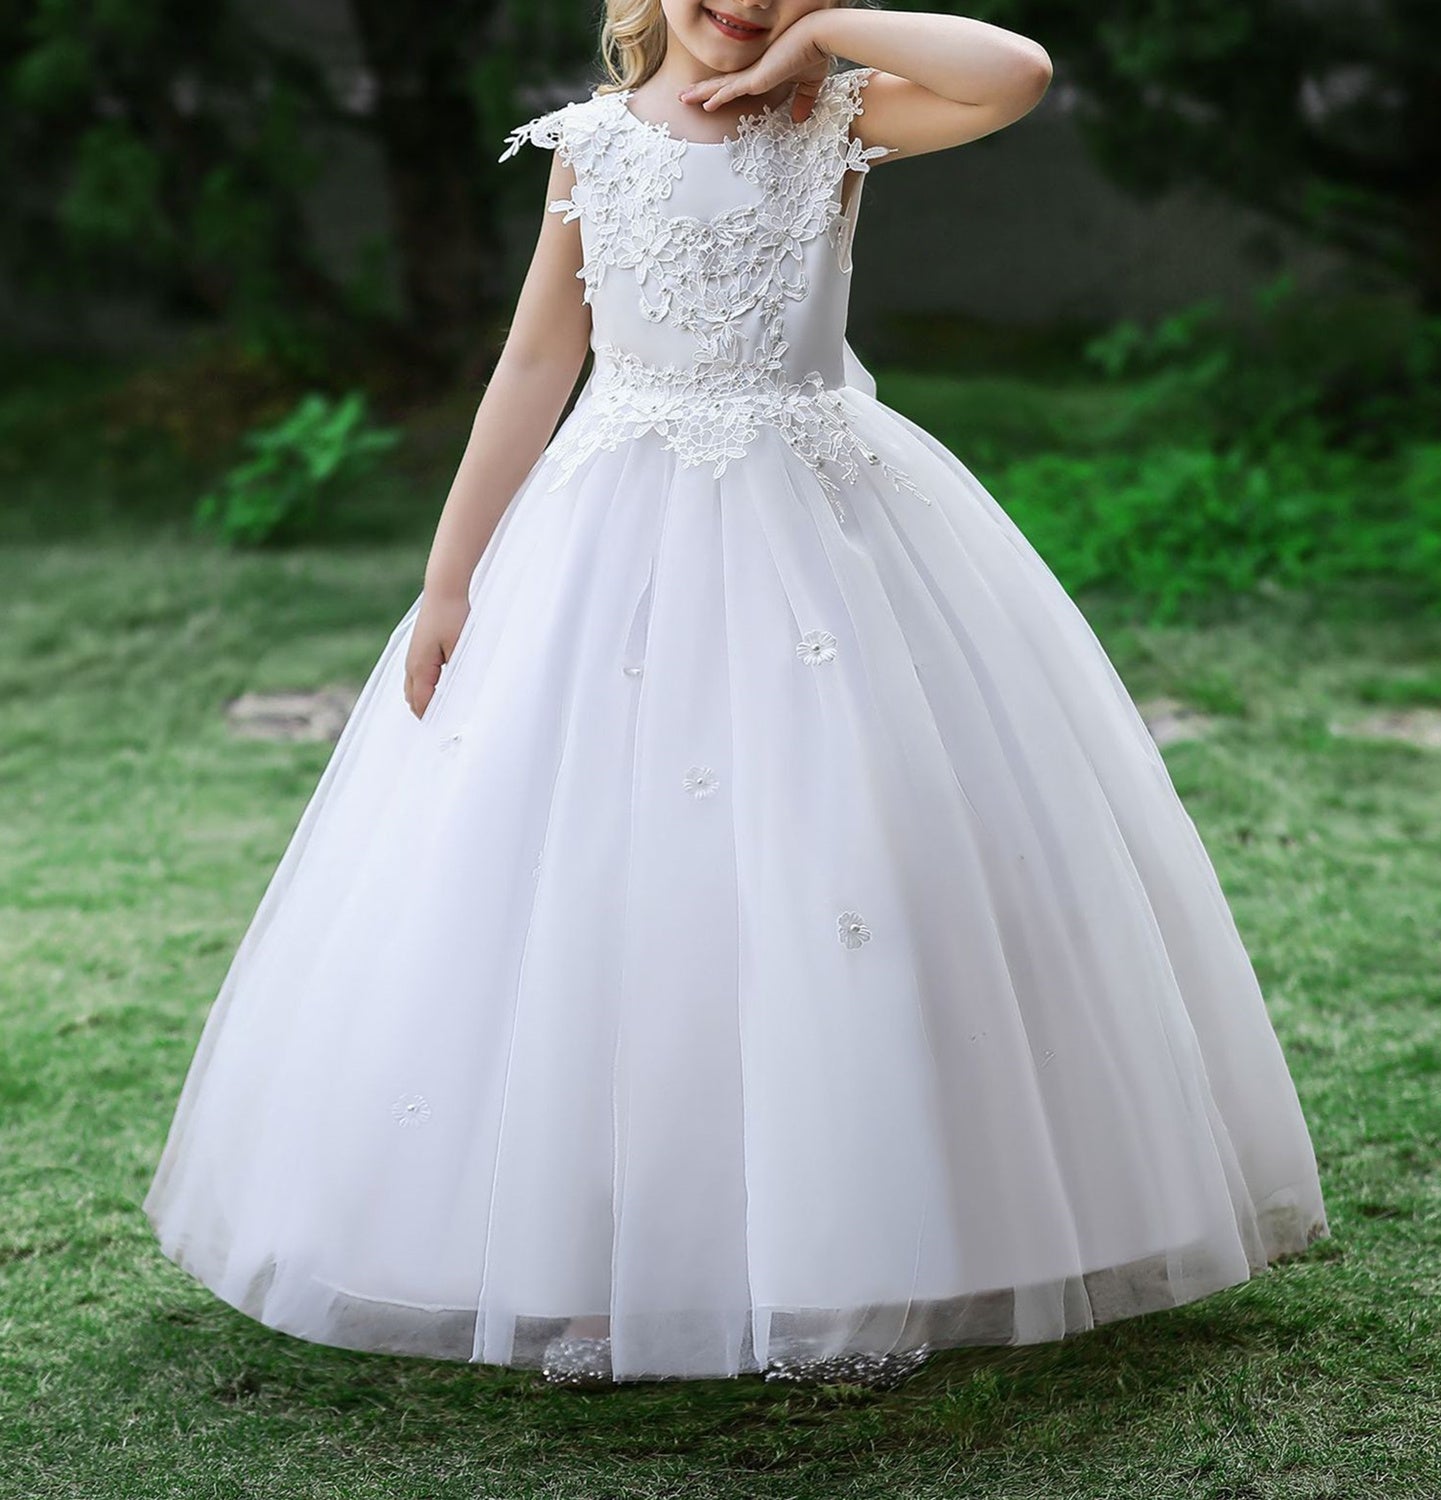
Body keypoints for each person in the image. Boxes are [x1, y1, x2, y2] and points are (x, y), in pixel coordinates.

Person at [142, 0, 1329, 1391]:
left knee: (837, 877)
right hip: (615, 550)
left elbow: (1015, 72)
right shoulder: (592, 145)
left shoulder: (837, 118)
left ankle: (855, 1261)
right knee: (620, 890)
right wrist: (453, 575)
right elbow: (539, 360)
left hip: (821, 541)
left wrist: (822, 40)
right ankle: (605, 1271)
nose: (745, 2)